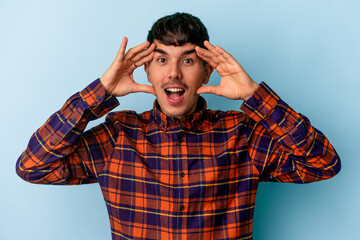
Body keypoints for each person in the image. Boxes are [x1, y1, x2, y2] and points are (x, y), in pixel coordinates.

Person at [16, 12, 341, 240]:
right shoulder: (118, 136)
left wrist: (255, 95)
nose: (173, 73)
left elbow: (323, 163)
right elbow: (34, 166)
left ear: (207, 72)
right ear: (146, 71)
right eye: (162, 60)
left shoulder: (243, 134)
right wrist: (98, 92)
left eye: (187, 60)